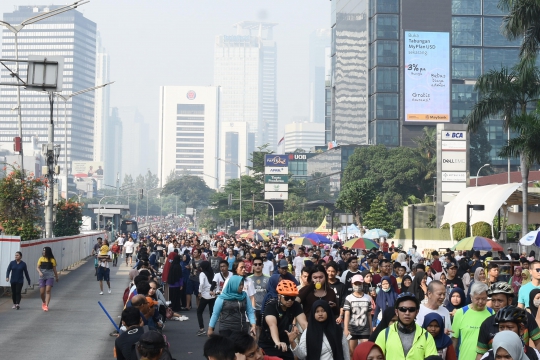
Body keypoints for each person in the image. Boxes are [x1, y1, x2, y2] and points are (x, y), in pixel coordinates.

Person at [476, 283, 540, 359]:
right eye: (493, 300)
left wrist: (534, 355)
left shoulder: (525, 317)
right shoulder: (486, 324)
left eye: (500, 300)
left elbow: (538, 342)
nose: (496, 304)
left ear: (509, 300)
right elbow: (480, 354)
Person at [375, 292, 438, 359]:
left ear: (417, 312)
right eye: (403, 309)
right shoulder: (384, 334)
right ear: (396, 312)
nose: (407, 313)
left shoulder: (426, 336)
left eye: (411, 310)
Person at [258, 280, 308, 360]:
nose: (290, 301)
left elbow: (304, 324)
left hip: (285, 344)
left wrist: (314, 335)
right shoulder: (271, 306)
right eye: (286, 297)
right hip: (268, 344)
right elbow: (272, 325)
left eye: (293, 298)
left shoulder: (295, 305)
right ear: (279, 296)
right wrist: (278, 342)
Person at [452, 282, 494, 360]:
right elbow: (454, 339)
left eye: (484, 298)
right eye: (477, 299)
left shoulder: (492, 313)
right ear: (471, 297)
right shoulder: (461, 313)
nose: (481, 302)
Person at [343, 274, 373, 356]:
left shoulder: (368, 298)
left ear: (362, 284)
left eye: (359, 284)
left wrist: (371, 328)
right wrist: (346, 329)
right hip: (352, 329)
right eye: (356, 284)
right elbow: (347, 314)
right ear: (352, 284)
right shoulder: (349, 298)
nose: (358, 286)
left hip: (365, 329)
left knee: (366, 352)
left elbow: (369, 314)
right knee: (352, 352)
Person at [249, 257, 270, 333]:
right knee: (254, 330)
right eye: (255, 264)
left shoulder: (268, 278)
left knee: (263, 331)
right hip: (253, 310)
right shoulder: (248, 279)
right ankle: (253, 345)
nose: (257, 266)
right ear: (253, 266)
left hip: (265, 309)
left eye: (259, 264)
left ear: (263, 265)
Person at [197, 261, 216, 336]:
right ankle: (212, 329)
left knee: (199, 311)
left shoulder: (202, 274)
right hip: (212, 295)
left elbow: (201, 283)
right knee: (212, 313)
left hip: (205, 295)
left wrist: (199, 292)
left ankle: (202, 328)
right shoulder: (213, 273)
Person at [37, 246, 58, 311]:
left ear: (48, 252)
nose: (43, 252)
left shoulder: (52, 260)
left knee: (48, 291)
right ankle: (43, 302)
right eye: (43, 250)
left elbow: (54, 269)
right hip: (42, 277)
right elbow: (37, 267)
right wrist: (39, 272)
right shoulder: (41, 259)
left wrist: (56, 277)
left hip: (50, 276)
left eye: (45, 251)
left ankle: (46, 305)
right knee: (42, 293)